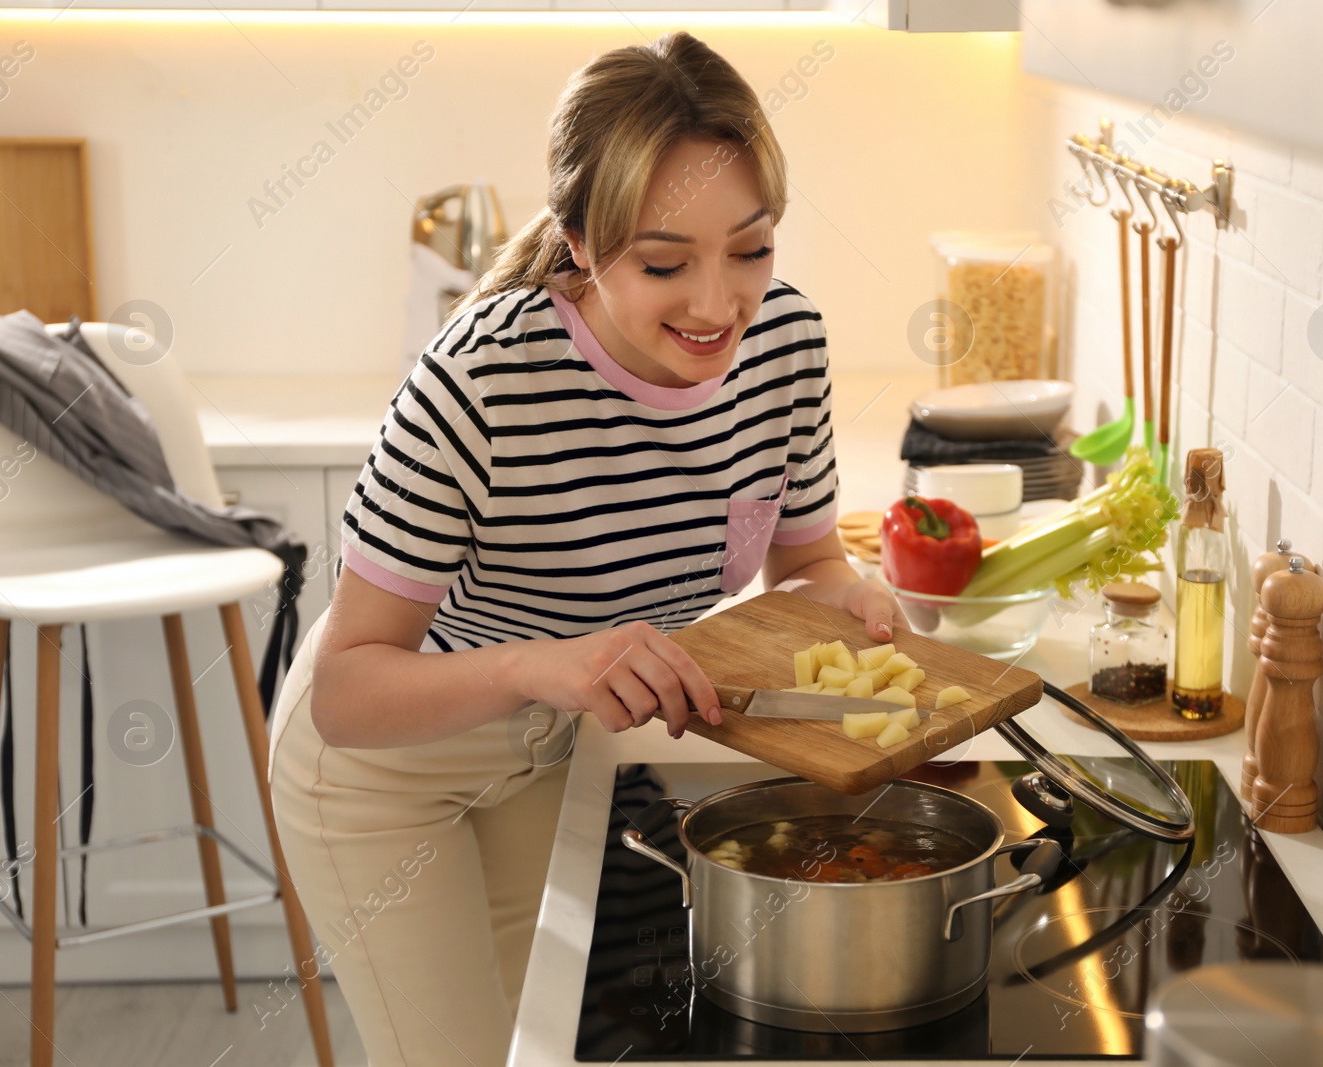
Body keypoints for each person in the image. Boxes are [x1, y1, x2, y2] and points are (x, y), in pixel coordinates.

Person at [266, 28, 906, 1066]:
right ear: (578, 240)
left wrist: (844, 595)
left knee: (549, 1046)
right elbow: (347, 688)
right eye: (664, 262)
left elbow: (806, 562)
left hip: (552, 748)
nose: (717, 305)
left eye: (750, 247)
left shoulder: (784, 344)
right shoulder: (479, 382)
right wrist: (540, 665)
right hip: (382, 766)